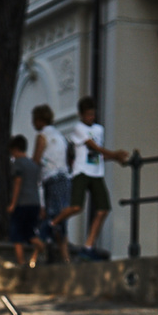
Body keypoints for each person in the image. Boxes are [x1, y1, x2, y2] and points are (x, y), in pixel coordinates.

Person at [53, 95, 129, 260]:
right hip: (81, 172)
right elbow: (92, 146)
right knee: (76, 207)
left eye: (93, 114)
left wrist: (114, 158)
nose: (91, 117)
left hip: (96, 172)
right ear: (81, 115)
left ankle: (88, 245)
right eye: (88, 114)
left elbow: (98, 154)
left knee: (103, 209)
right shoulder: (79, 128)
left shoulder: (99, 130)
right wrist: (115, 154)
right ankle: (52, 224)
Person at [30, 104, 70, 264]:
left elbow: (36, 160)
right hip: (64, 178)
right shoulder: (60, 136)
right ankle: (64, 257)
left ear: (40, 120)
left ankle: (36, 253)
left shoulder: (42, 135)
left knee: (51, 216)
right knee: (60, 217)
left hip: (50, 179)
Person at [7, 135, 44, 266]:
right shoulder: (33, 165)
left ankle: (21, 262)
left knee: (16, 234)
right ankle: (42, 246)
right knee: (30, 233)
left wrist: (13, 203)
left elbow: (17, 183)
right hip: (35, 202)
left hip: (22, 203)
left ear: (15, 149)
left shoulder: (18, 164)